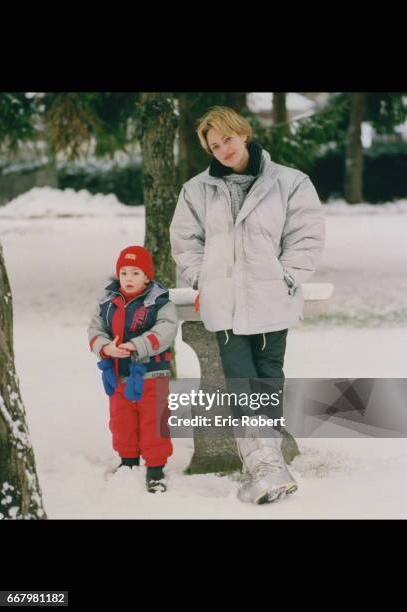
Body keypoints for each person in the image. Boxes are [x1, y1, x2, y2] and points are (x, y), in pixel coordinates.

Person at [170, 106, 325, 504]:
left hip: (272, 297)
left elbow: (306, 236)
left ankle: (265, 465)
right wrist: (202, 277)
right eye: (214, 144)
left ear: (244, 133)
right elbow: (186, 243)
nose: (223, 149)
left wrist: (285, 276)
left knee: (269, 375)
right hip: (225, 304)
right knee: (241, 378)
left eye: (228, 139)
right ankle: (264, 465)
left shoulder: (290, 182)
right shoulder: (196, 190)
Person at [87, 245, 178, 493]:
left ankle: (156, 467)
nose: (128, 278)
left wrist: (137, 345)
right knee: (121, 418)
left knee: (153, 419)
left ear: (147, 277)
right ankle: (127, 460)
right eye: (124, 272)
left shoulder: (159, 302)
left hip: (151, 374)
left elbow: (166, 329)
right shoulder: (108, 302)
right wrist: (106, 348)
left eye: (135, 273)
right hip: (118, 373)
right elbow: (95, 330)